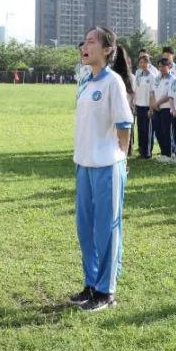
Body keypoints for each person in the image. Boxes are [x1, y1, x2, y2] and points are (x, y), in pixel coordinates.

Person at [68, 27, 131, 312]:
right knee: (86, 229)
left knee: (107, 228)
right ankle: (91, 284)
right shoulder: (85, 80)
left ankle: (106, 291)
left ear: (107, 49)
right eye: (85, 41)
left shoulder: (113, 82)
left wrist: (121, 158)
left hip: (107, 166)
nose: (85, 45)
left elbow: (124, 125)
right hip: (84, 164)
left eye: (92, 41)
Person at [151, 57, 175, 162]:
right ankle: (163, 152)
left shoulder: (172, 79)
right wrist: (152, 105)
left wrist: (158, 103)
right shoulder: (156, 78)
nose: (161, 68)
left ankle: (168, 154)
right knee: (158, 132)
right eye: (160, 66)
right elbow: (152, 92)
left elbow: (169, 94)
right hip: (156, 109)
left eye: (164, 66)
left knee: (166, 132)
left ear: (169, 66)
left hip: (166, 108)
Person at [133, 53, 155, 158]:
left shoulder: (152, 76)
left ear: (148, 63)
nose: (143, 64)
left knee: (147, 130)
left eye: (145, 62)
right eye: (141, 62)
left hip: (147, 106)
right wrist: (135, 106)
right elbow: (136, 91)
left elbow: (152, 94)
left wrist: (151, 109)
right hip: (139, 105)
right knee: (140, 129)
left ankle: (147, 152)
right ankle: (141, 150)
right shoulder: (138, 74)